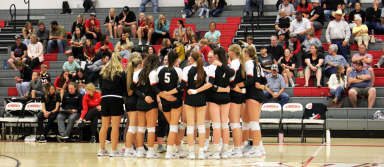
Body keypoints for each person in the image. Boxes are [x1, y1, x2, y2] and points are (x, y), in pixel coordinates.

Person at [150, 51, 187, 158]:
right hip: (175, 99)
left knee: (172, 127)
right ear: (176, 60)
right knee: (173, 127)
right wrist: (170, 93)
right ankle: (170, 152)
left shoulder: (160, 69)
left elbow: (155, 86)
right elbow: (182, 86)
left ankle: (180, 150)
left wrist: (164, 95)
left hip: (164, 101)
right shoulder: (179, 70)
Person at [237, 46, 266, 157]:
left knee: (253, 123)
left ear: (246, 54)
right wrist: (261, 86)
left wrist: (237, 85)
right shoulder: (257, 64)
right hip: (259, 94)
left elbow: (250, 80)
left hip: (252, 95)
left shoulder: (249, 63)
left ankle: (256, 148)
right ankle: (260, 148)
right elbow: (264, 79)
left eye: (243, 52)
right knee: (253, 122)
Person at [206, 47, 234, 159]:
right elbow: (232, 80)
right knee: (225, 124)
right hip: (226, 98)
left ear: (216, 56)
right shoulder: (228, 68)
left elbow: (211, 85)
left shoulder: (213, 68)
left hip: (215, 98)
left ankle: (216, 152)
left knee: (216, 124)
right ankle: (225, 151)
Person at [98, 52, 126, 157]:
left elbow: (101, 86)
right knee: (115, 127)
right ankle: (114, 151)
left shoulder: (102, 72)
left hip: (104, 98)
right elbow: (124, 89)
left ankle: (101, 150)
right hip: (116, 98)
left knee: (104, 126)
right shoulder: (121, 72)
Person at [133, 54, 161, 158]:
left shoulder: (139, 72)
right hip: (151, 102)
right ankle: (150, 152)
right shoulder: (153, 73)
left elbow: (134, 88)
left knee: (141, 128)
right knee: (151, 128)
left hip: (140, 102)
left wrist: (143, 97)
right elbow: (155, 88)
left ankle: (140, 151)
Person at [227, 44, 246, 158]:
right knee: (236, 123)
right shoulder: (240, 62)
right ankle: (236, 147)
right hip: (238, 95)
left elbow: (231, 77)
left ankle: (237, 149)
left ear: (232, 52)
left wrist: (234, 87)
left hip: (235, 95)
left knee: (234, 124)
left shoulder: (235, 62)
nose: (228, 53)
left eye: (229, 51)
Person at [123, 57, 142, 156]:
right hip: (134, 102)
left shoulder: (128, 74)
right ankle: (128, 149)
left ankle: (138, 148)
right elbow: (131, 92)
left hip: (129, 102)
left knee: (133, 128)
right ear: (139, 65)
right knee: (132, 128)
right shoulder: (136, 75)